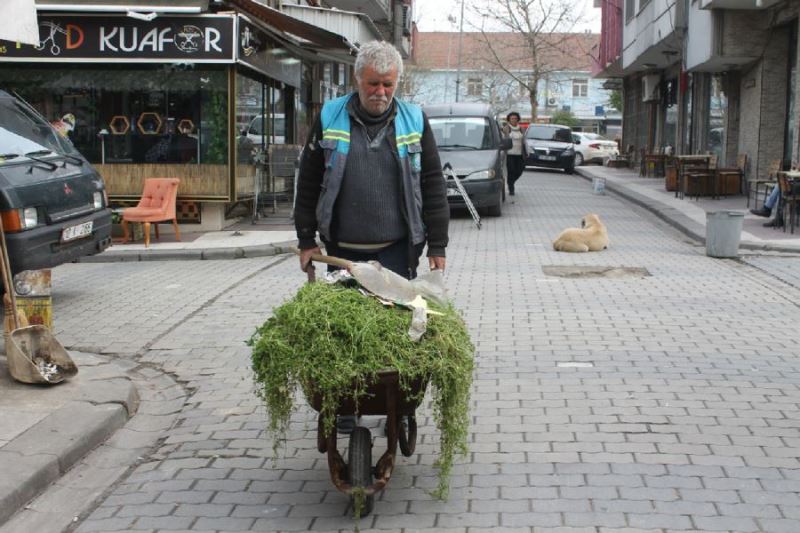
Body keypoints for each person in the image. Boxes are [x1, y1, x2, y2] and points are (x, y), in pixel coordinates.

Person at [293, 41, 450, 432]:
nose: (380, 92)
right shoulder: (331, 116)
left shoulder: (414, 120)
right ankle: (345, 404)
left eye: (388, 84)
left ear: (397, 82)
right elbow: (309, 181)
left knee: (395, 332)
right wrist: (305, 240)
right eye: (373, 84)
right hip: (342, 250)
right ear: (357, 80)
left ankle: (396, 405)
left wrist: (439, 245)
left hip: (397, 250)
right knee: (344, 333)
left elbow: (432, 183)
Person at [501, 112, 526, 196]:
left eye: (515, 118)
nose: (514, 120)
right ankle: (511, 188)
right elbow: (502, 139)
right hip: (509, 154)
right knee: (511, 171)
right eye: (512, 118)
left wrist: (527, 151)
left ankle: (510, 182)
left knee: (520, 170)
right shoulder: (506, 128)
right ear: (509, 119)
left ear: (518, 119)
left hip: (519, 154)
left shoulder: (522, 129)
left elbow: (525, 141)